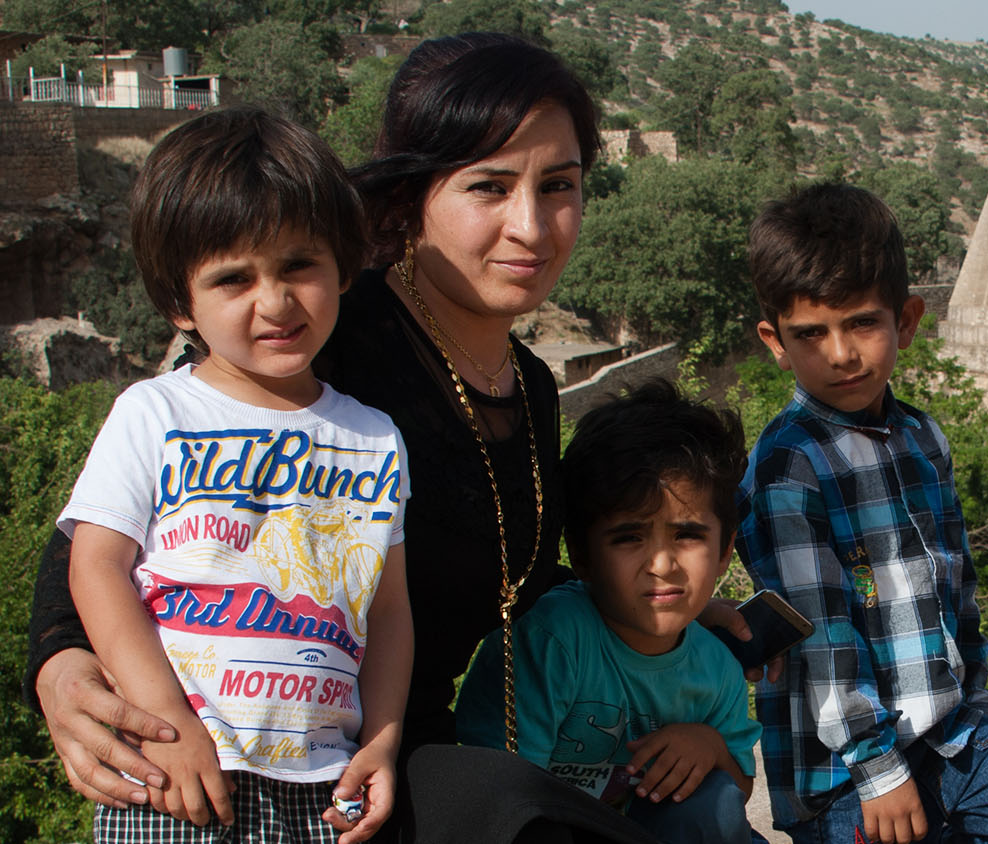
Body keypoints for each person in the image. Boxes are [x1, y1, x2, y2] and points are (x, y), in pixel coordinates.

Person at [26, 33, 719, 843]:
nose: (531, 225)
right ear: (413, 196)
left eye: (558, 186)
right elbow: (114, 525)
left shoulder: (528, 387)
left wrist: (685, 596)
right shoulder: (318, 333)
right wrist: (60, 665)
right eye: (489, 187)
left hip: (389, 757)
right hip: (235, 755)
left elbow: (511, 578)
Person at [61, 106, 412, 844]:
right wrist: (167, 724)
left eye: (298, 266)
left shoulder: (374, 437)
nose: (275, 302)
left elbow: (386, 610)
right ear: (177, 303)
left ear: (343, 266)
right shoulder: (154, 412)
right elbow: (96, 569)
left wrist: (380, 739)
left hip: (323, 780)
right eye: (232, 279)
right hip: (175, 775)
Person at [736, 183, 988, 844]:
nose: (840, 353)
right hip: (842, 762)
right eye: (811, 334)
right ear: (775, 341)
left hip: (940, 728)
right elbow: (822, 639)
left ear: (908, 320)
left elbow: (958, 587)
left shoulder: (922, 439)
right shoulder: (791, 466)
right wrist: (877, 768)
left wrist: (975, 706)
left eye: (862, 322)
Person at [455, 378, 761, 844]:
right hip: (539, 828)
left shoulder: (717, 668)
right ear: (581, 554)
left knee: (714, 802)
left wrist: (710, 746)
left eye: (687, 535)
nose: (662, 565)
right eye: (629, 538)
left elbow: (738, 791)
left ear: (724, 552)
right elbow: (503, 798)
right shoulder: (551, 643)